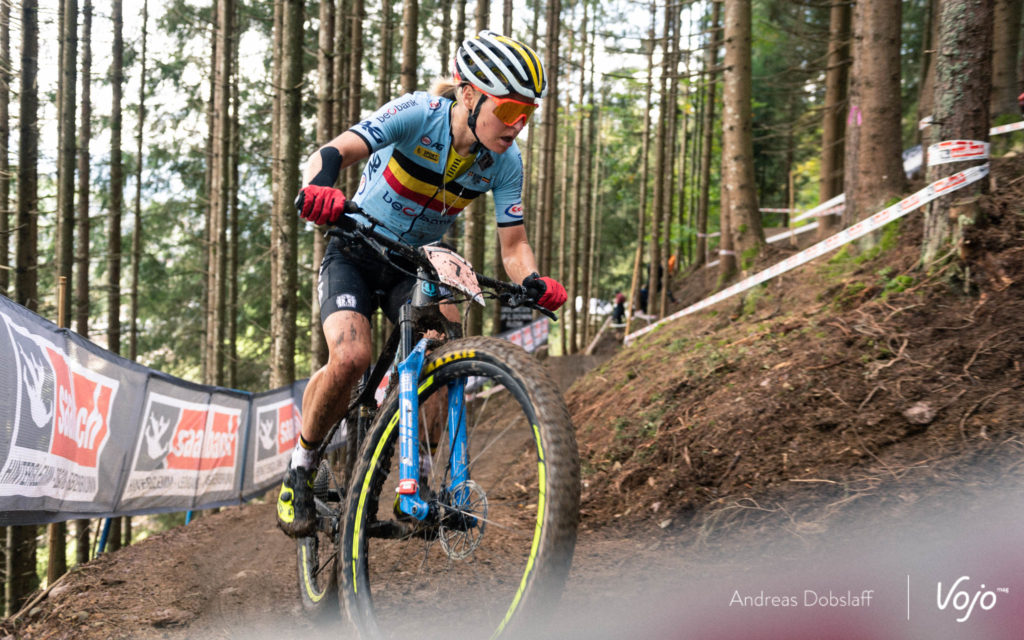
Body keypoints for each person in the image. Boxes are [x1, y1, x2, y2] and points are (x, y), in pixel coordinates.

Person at [276, 31, 568, 537]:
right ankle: (300, 468)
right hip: (356, 249)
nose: (518, 125)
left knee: (445, 351)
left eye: (528, 113)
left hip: (417, 265)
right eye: (510, 109)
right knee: (350, 358)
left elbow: (514, 246)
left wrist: (534, 280)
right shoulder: (418, 114)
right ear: (470, 95)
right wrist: (318, 188)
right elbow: (333, 151)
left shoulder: (505, 162)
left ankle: (423, 479)